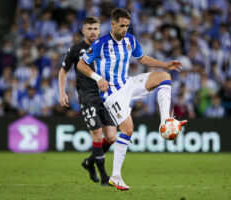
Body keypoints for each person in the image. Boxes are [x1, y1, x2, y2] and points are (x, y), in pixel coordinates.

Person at [77, 8, 187, 190]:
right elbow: (82, 64)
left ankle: (164, 121)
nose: (125, 29)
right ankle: (116, 176)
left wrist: (165, 64)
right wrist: (98, 78)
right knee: (128, 128)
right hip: (111, 93)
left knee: (164, 76)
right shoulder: (101, 44)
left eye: (127, 25)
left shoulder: (130, 40)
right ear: (112, 24)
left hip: (127, 84)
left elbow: (142, 58)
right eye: (121, 26)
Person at [58, 17, 116, 186]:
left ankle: (89, 162)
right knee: (97, 134)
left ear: (100, 30)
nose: (93, 31)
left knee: (111, 137)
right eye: (89, 28)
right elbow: (63, 72)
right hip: (87, 96)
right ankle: (104, 177)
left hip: (105, 96)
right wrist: (62, 93)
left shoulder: (106, 47)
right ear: (83, 31)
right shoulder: (76, 50)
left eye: (95, 28)